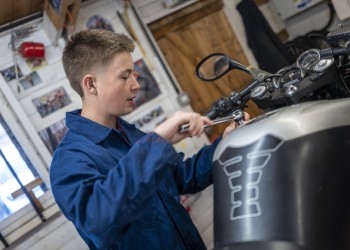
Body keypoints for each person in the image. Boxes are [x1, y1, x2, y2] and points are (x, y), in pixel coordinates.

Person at [50, 29, 249, 250]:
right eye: (125, 76)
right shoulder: (69, 160)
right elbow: (99, 218)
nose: (136, 84)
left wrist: (226, 145)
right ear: (91, 84)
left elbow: (179, 178)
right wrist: (158, 139)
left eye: (134, 74)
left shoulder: (129, 134)